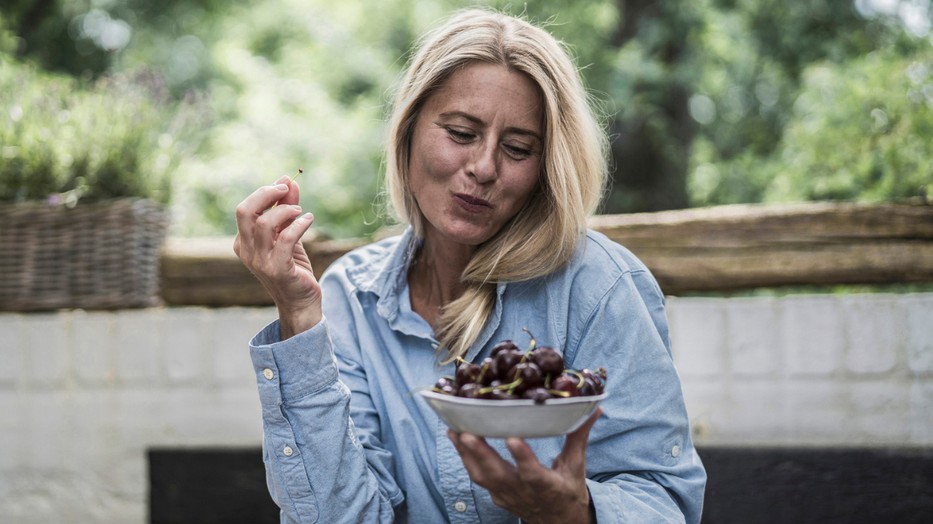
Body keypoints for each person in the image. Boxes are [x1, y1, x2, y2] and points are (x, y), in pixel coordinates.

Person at [234, 7, 706, 523]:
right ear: (409, 130)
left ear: (547, 166)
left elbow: (662, 503)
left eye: (518, 148)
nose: (484, 168)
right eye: (461, 133)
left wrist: (577, 514)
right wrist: (299, 313)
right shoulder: (352, 295)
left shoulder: (599, 286)